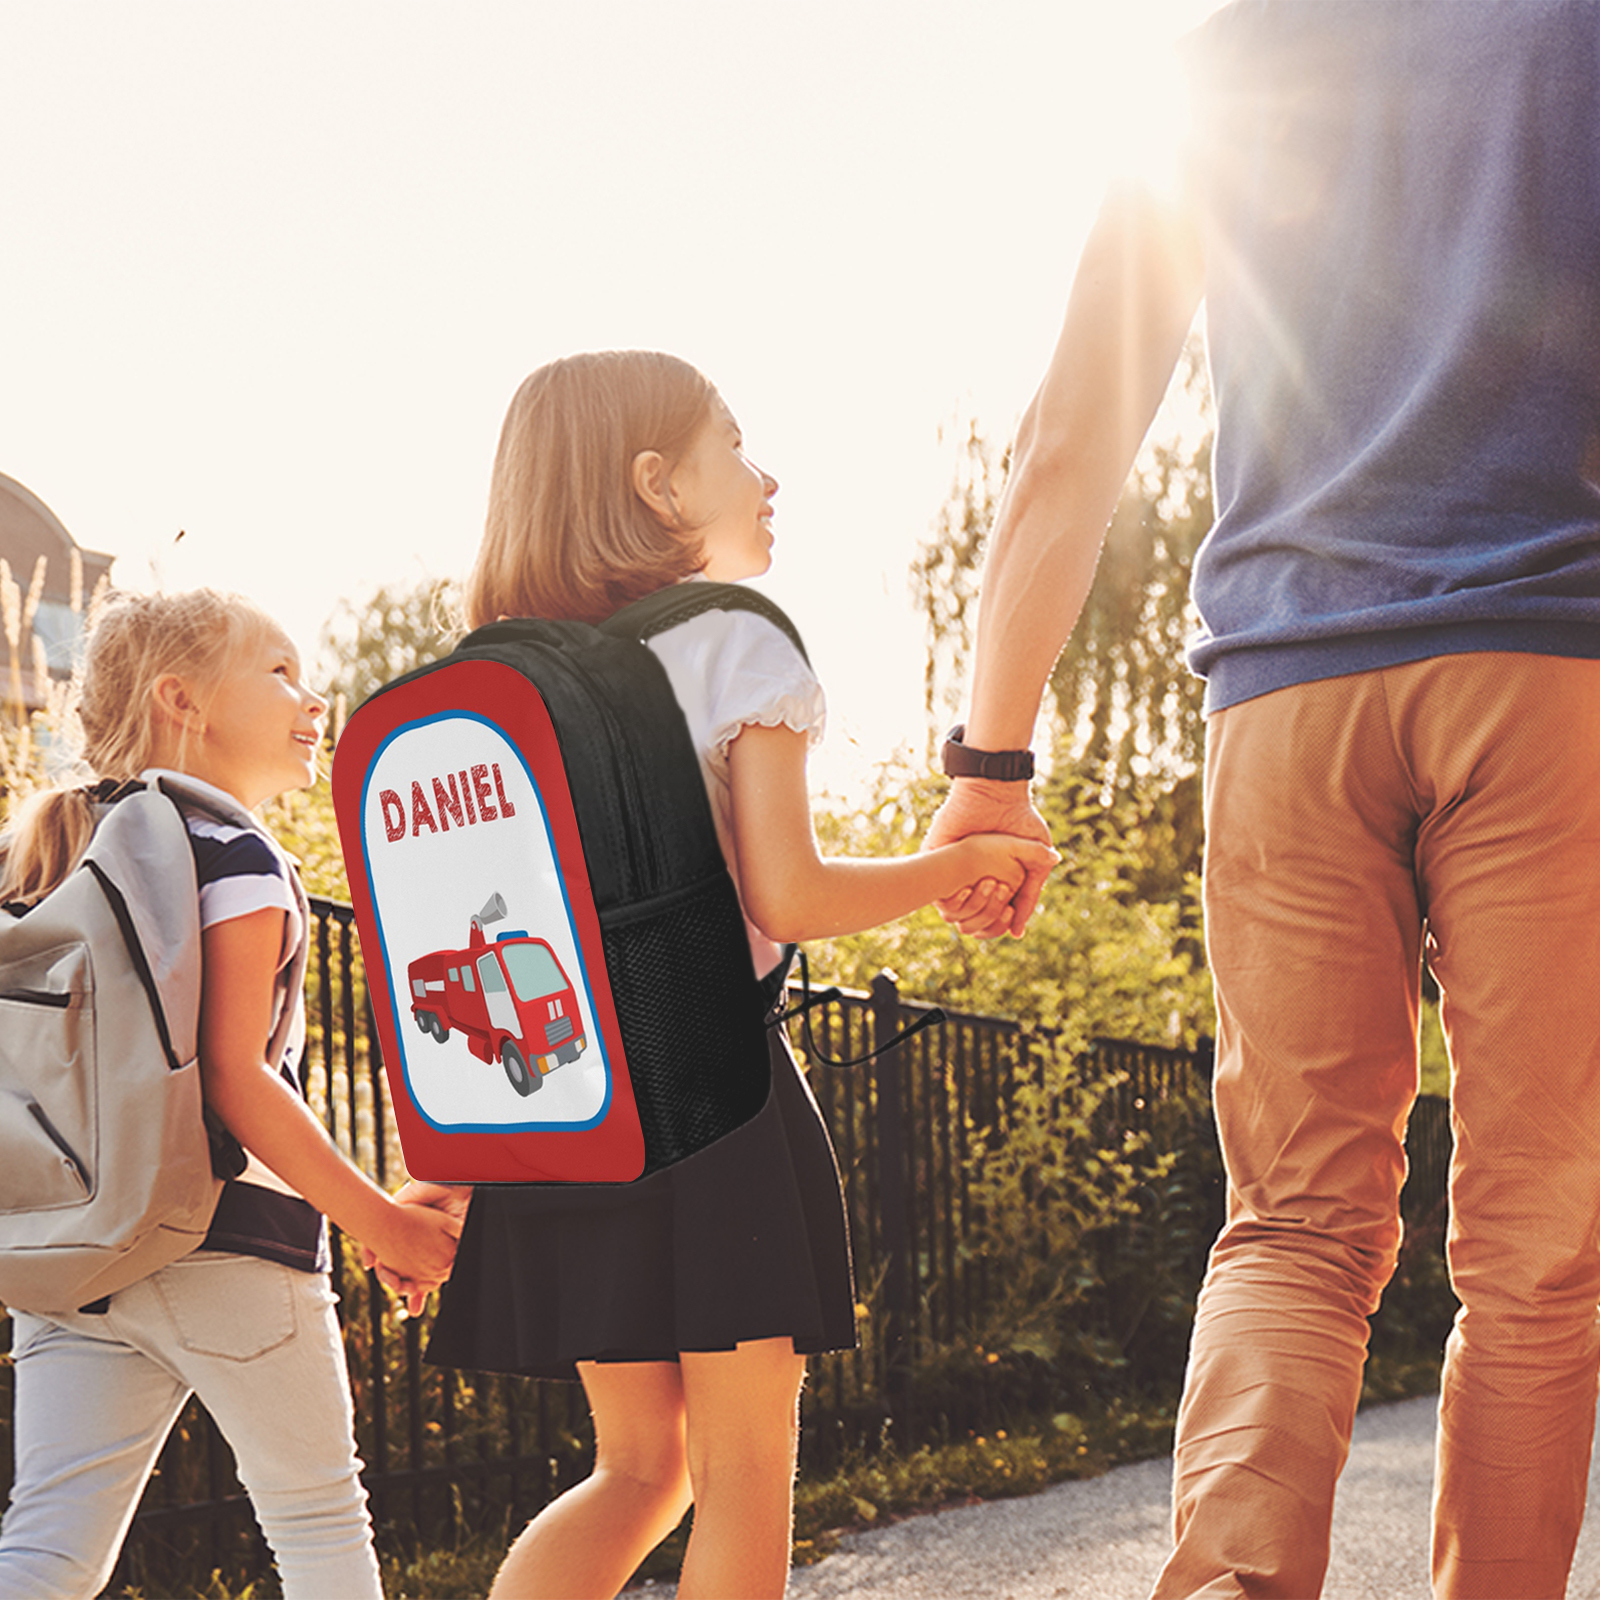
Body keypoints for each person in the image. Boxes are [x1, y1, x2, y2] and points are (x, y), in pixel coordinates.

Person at [923, 3, 1600, 1596]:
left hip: (1286, 696)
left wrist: (991, 768)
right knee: (1538, 1247)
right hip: (1551, 670)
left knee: (1294, 1221)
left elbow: (1072, 434)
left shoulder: (1237, 49)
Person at [403, 349, 1058, 1600]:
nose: (767, 476)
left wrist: (451, 1160)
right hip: (715, 1098)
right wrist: (963, 857)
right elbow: (788, 895)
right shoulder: (729, 640)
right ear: (655, 484)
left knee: (639, 1469)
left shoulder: (495, 676)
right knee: (745, 1474)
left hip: (562, 1114)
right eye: (737, 447)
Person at [0, 588, 464, 1600]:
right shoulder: (232, 852)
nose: (315, 697)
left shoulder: (48, 852)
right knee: (317, 1521)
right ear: (183, 700)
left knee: (46, 1551)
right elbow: (235, 1074)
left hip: (69, 1255)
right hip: (227, 1239)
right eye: (281, 672)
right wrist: (378, 1219)